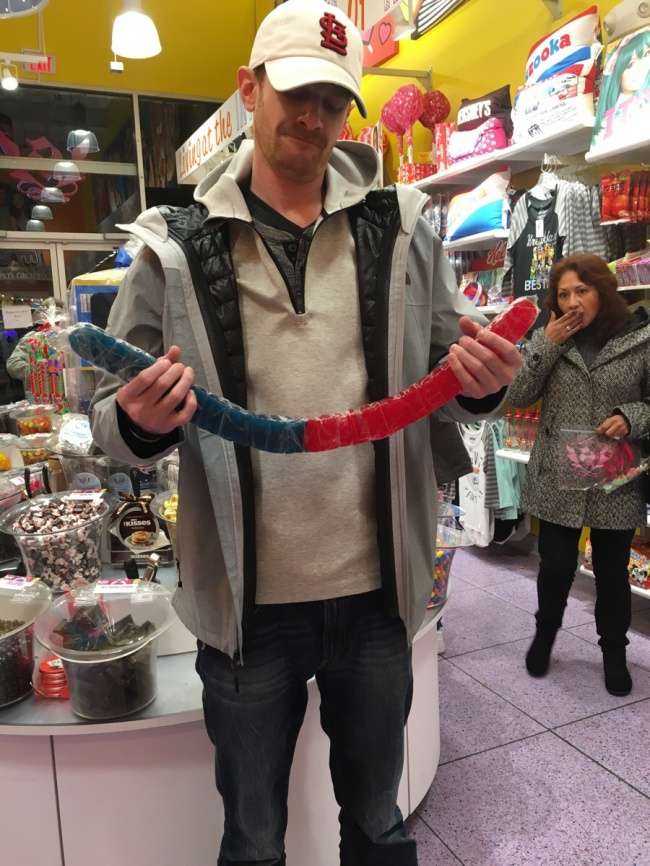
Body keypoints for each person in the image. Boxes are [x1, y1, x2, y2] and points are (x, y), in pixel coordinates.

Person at [91, 2, 522, 863]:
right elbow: (110, 417)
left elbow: (456, 373)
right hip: (245, 609)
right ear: (249, 90)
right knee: (253, 838)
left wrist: (485, 387)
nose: (313, 117)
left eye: (333, 100)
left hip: (378, 596)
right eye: (296, 93)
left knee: (378, 824)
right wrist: (136, 420)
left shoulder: (402, 227)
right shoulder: (173, 245)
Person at [507, 254, 650, 699]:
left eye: (582, 291)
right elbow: (517, 395)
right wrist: (546, 344)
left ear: (602, 291)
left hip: (614, 478)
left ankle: (614, 653)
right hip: (558, 475)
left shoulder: (641, 339)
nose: (572, 302)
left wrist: (631, 416)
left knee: (611, 572)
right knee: (555, 566)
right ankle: (544, 635)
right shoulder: (551, 338)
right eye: (564, 293)